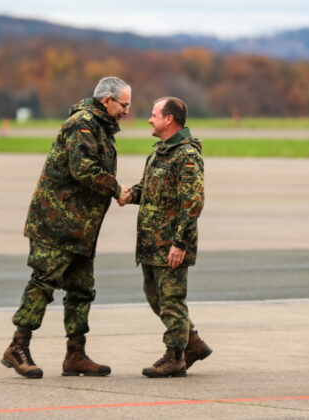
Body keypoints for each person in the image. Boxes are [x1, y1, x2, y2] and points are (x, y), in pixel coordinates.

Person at [1, 76, 132, 379]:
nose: (127, 110)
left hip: (80, 226)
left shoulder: (100, 126)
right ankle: (17, 346)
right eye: (124, 104)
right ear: (106, 101)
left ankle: (76, 354)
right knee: (43, 283)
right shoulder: (82, 124)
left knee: (82, 290)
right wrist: (116, 188)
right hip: (56, 222)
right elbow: (83, 168)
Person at [120, 97, 212, 378]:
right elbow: (153, 189)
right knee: (155, 296)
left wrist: (180, 243)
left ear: (169, 119)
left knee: (171, 300)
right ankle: (192, 342)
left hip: (170, 242)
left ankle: (175, 357)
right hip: (152, 242)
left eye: (154, 115)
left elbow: (192, 202)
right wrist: (131, 194)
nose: (149, 119)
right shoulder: (162, 151)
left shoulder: (186, 154)